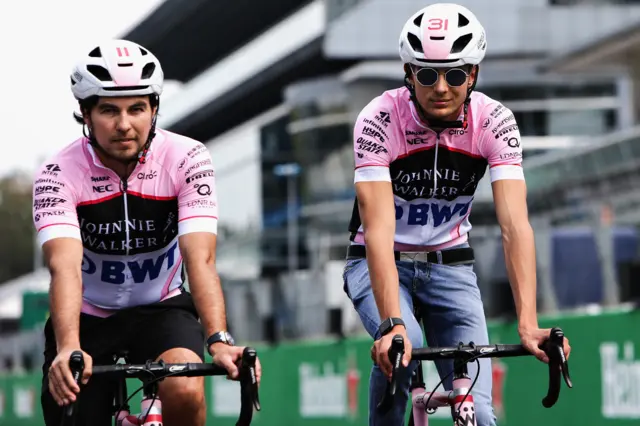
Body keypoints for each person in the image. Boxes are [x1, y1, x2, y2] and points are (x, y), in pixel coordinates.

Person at [342, 4, 571, 426]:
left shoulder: (494, 121)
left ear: (474, 75)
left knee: (480, 411)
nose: (441, 87)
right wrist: (392, 323)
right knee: (401, 349)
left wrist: (528, 323)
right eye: (427, 74)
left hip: (452, 267)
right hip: (379, 260)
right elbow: (377, 230)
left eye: (455, 73)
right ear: (409, 75)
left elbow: (514, 225)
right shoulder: (378, 118)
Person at [33, 39, 261, 426]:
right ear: (85, 114)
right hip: (88, 316)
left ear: (154, 109)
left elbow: (200, 258)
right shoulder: (58, 173)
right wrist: (68, 346)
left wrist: (219, 339)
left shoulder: (187, 158)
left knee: (187, 392)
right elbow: (65, 268)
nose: (124, 125)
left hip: (162, 307)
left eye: (137, 109)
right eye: (109, 110)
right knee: (71, 415)